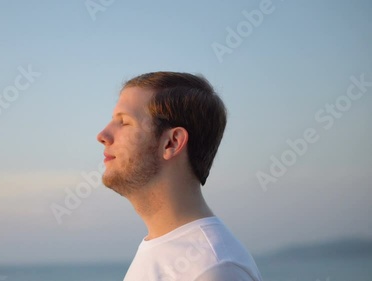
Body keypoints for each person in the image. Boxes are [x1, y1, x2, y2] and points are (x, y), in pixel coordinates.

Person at [96, 72, 263, 281]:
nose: (102, 135)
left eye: (124, 122)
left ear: (172, 143)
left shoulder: (214, 270)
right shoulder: (163, 248)